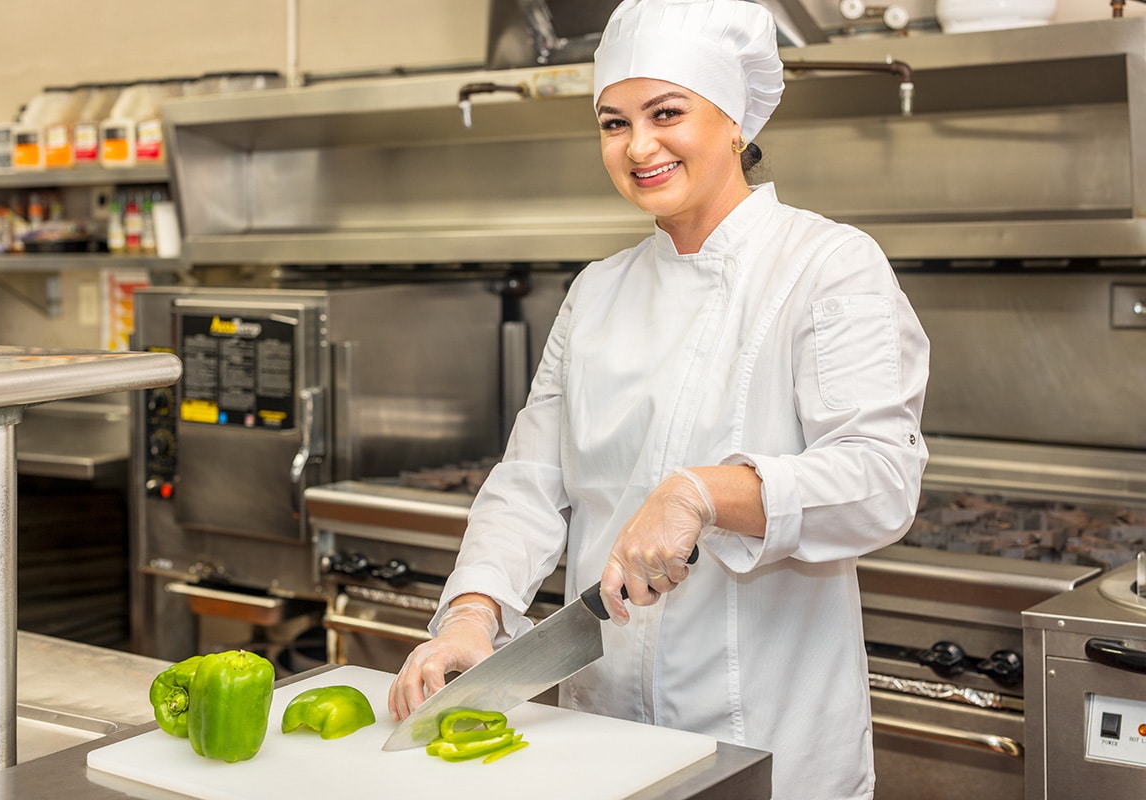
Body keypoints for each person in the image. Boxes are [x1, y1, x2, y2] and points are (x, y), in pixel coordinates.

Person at [388, 1, 930, 797]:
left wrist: (705, 492)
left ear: (735, 119)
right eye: (614, 123)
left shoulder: (830, 266)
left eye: (665, 113)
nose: (639, 146)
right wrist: (474, 615)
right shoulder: (599, 291)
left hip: (767, 744)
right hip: (599, 736)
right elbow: (532, 482)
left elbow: (881, 481)